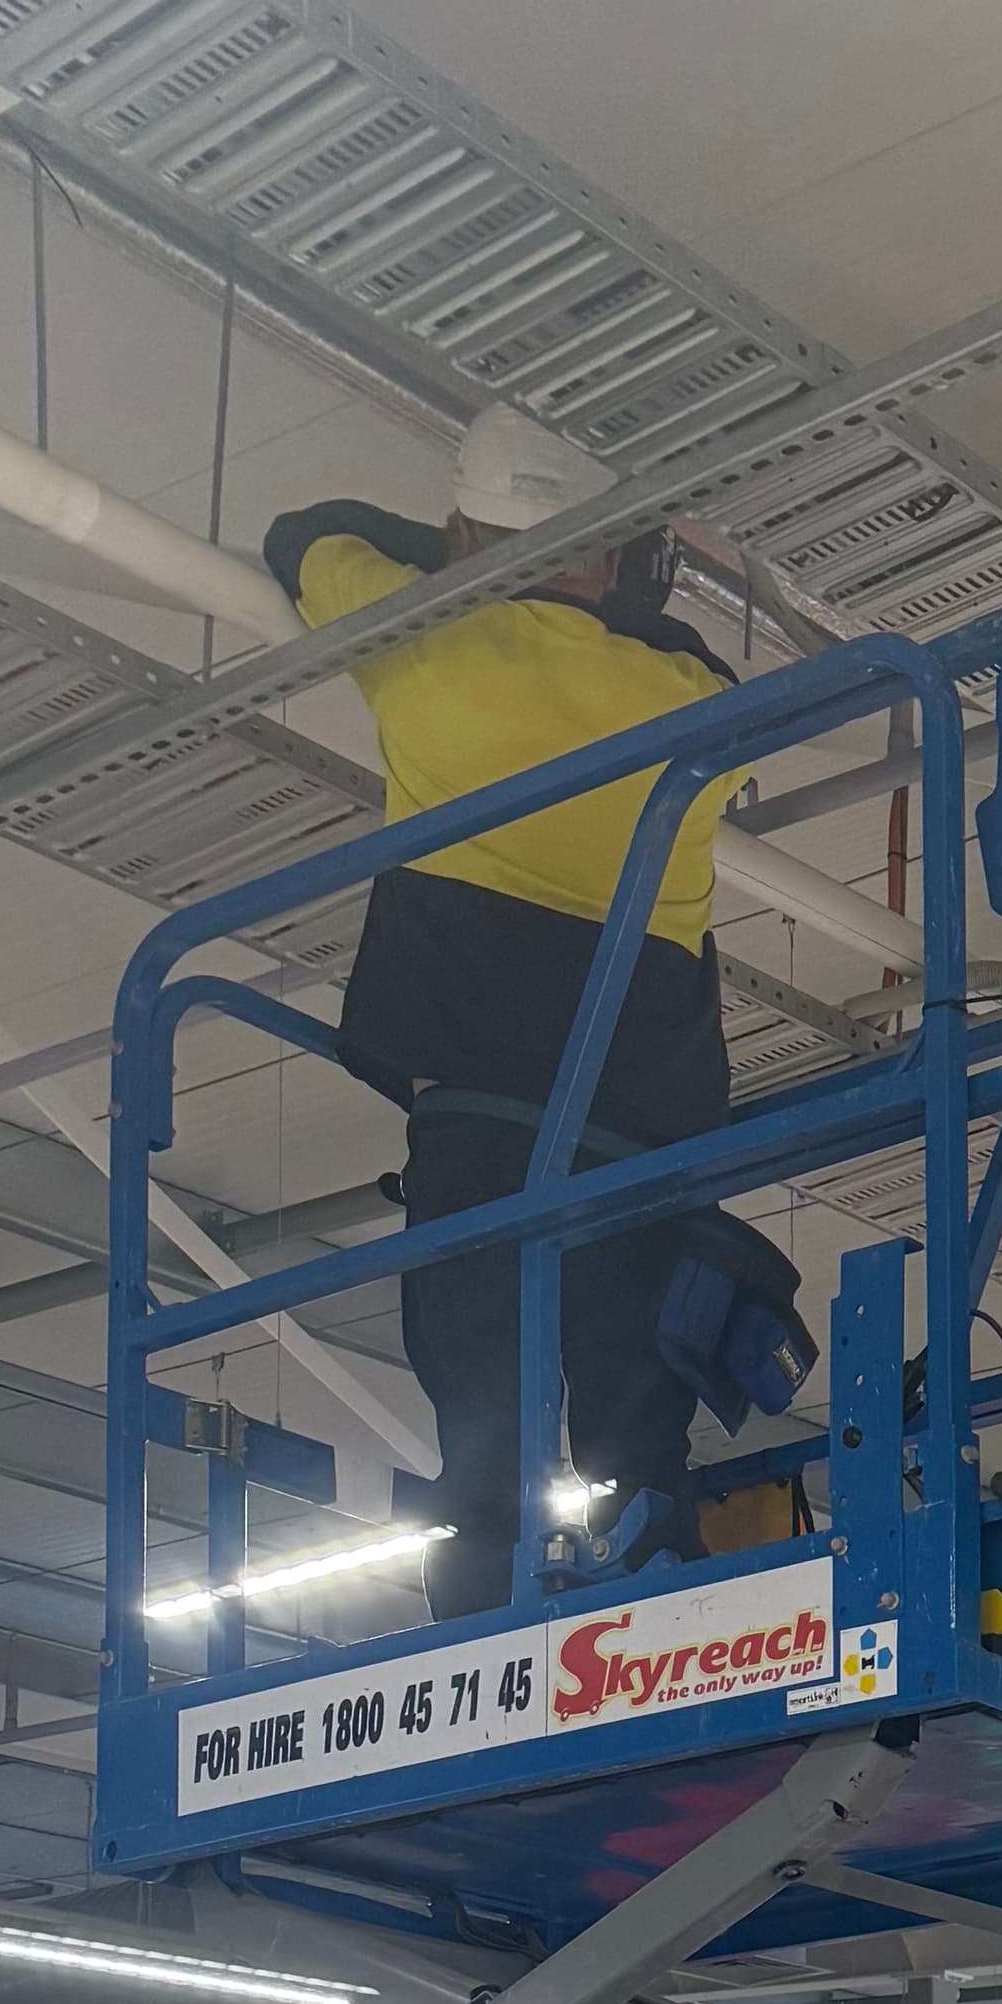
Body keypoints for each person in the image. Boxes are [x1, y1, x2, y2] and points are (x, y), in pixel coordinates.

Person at [264, 405, 781, 1620]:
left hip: (479, 1118)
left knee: (483, 1422)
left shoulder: (421, 643)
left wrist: (456, 566)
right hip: (644, 1120)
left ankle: (479, 1626)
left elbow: (303, 535)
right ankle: (657, 1596)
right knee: (637, 1413)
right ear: (616, 555)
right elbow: (751, 751)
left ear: (462, 536)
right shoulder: (693, 693)